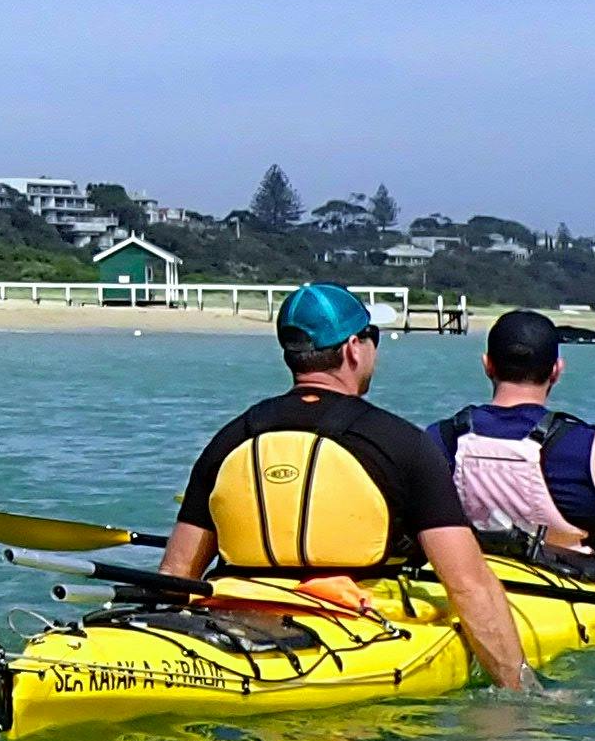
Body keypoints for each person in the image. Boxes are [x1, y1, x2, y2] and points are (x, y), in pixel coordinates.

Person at [160, 282, 537, 695]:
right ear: (354, 348)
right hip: (351, 628)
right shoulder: (402, 443)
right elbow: (468, 585)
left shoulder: (232, 437)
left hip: (232, 617)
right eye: (372, 337)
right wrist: (521, 690)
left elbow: (178, 573)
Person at [438, 309, 595, 566]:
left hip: (470, 573)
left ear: (487, 365)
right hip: (566, 589)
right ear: (556, 370)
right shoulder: (594, 448)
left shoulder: (440, 436)